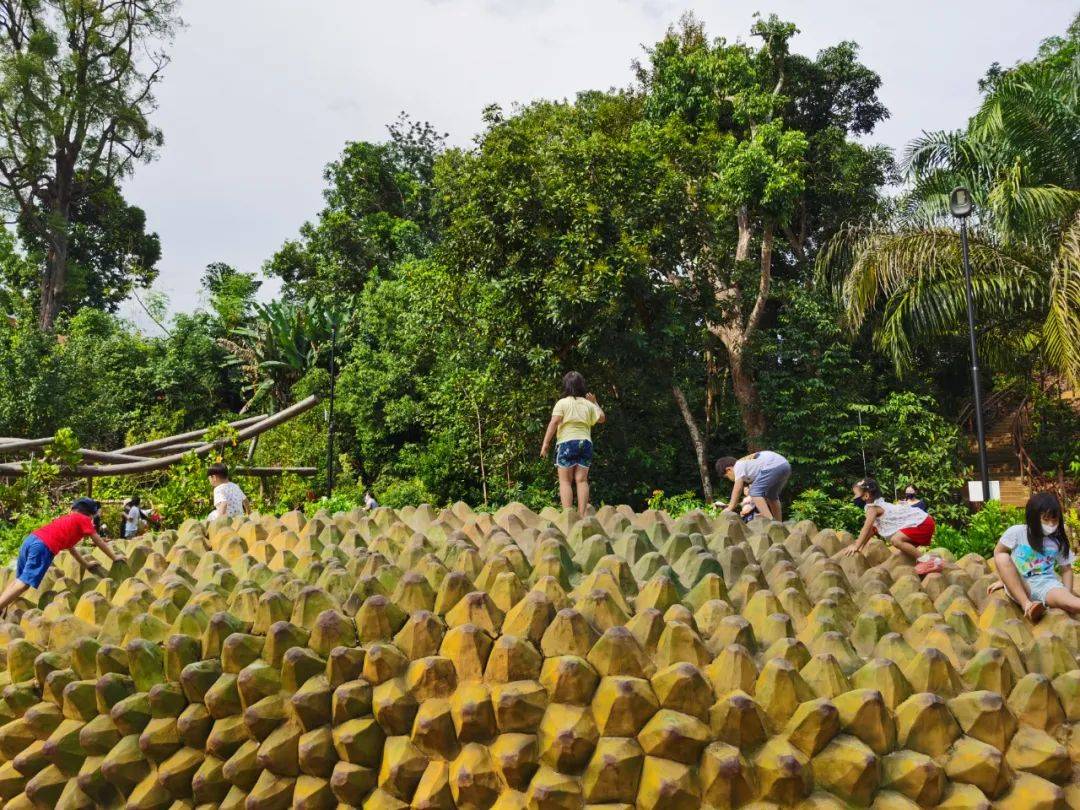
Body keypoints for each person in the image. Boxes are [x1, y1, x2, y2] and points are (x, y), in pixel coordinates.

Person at [0, 498, 125, 617]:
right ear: (90, 515)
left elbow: (72, 550)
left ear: (73, 509)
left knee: (19, 580)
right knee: (24, 584)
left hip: (30, 540)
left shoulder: (68, 521)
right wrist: (114, 557)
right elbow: (98, 541)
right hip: (43, 546)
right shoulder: (83, 519)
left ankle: (2, 604)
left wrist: (85, 564)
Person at [988, 492, 1077, 622]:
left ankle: (1052, 605)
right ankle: (1028, 606)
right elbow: (998, 553)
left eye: (1054, 519)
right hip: (1021, 584)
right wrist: (1005, 580)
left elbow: (1066, 568)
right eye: (1046, 519)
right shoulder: (1017, 532)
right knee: (1002, 558)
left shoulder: (1058, 541)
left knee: (1071, 603)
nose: (1051, 524)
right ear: (1034, 517)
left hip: (1047, 585)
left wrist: (1067, 592)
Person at [540, 371, 605, 513]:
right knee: (582, 480)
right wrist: (595, 403)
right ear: (582, 386)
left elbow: (554, 422)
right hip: (585, 443)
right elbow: (601, 418)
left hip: (566, 443)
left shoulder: (562, 403)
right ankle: (582, 517)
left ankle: (568, 516)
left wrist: (545, 444)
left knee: (565, 481)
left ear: (566, 385)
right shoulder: (588, 405)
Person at [841, 477, 936, 561]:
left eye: (856, 495)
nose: (854, 498)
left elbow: (866, 528)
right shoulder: (875, 506)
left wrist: (856, 546)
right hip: (923, 521)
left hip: (922, 523)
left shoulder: (873, 509)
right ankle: (933, 560)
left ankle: (926, 561)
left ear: (866, 496)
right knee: (900, 546)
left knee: (896, 540)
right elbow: (870, 532)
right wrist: (860, 548)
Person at [716, 450, 791, 521]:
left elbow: (738, 488)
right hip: (784, 465)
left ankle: (771, 521)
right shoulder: (747, 465)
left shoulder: (738, 465)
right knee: (771, 496)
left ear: (728, 469)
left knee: (754, 492)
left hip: (772, 465)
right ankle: (779, 523)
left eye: (727, 477)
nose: (729, 479)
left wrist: (730, 508)